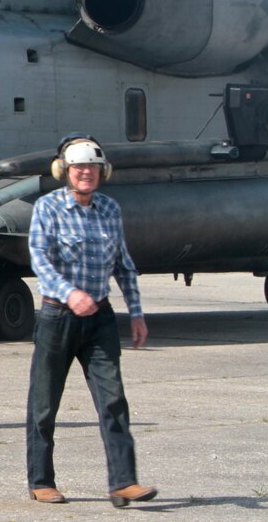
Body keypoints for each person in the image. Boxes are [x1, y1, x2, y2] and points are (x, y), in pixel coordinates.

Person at [26, 134, 157, 507]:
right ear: (64, 171)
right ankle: (41, 480)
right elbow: (40, 259)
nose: (86, 173)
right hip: (57, 316)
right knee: (45, 403)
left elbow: (124, 265)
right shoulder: (48, 208)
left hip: (100, 317)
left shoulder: (110, 210)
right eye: (79, 166)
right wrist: (70, 294)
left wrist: (136, 312)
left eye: (93, 167)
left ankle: (123, 482)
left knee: (113, 398)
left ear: (103, 171)